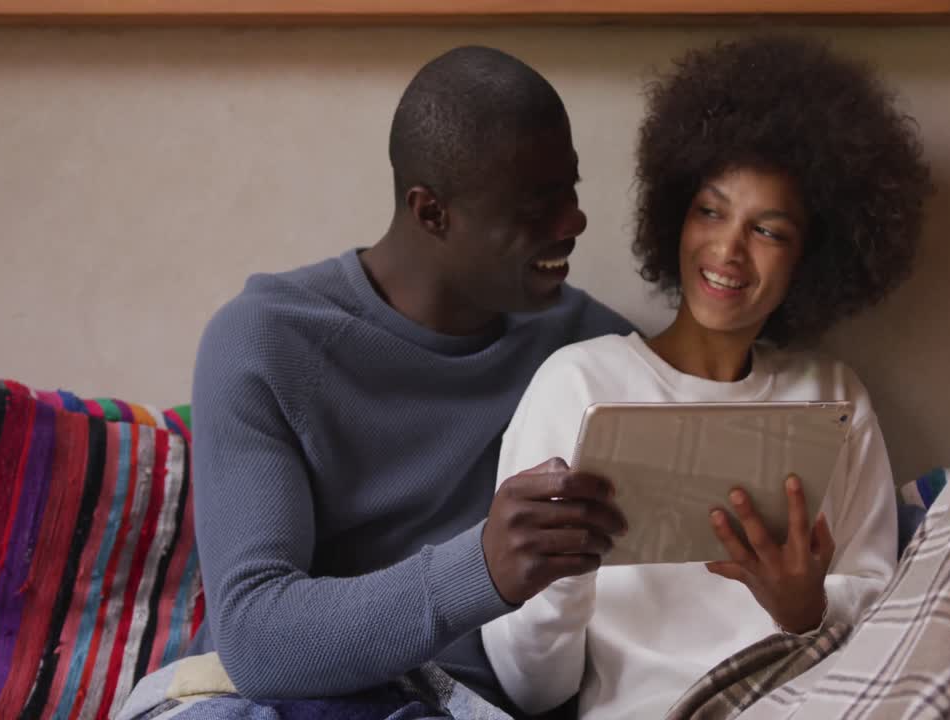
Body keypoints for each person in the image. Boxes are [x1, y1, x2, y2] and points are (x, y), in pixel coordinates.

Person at [169, 46, 634, 712]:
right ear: (431, 212)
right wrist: (481, 568)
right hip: (284, 699)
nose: (574, 222)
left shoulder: (593, 352)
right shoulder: (265, 341)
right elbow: (254, 636)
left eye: (572, 190)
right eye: (537, 204)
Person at [482, 36, 932, 720]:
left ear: (811, 257)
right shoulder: (578, 384)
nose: (727, 251)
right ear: (675, 215)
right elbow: (532, 689)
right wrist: (566, 576)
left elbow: (884, 613)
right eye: (711, 211)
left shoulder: (833, 396)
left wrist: (808, 607)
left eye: (769, 231)